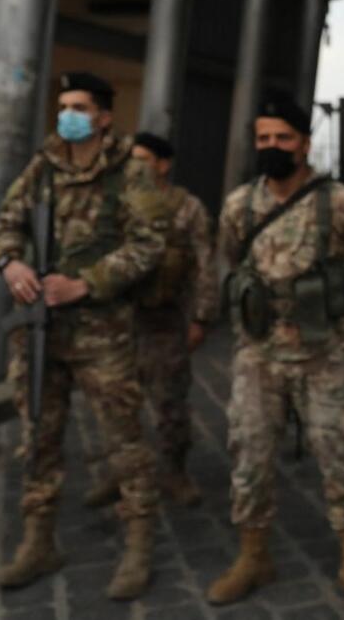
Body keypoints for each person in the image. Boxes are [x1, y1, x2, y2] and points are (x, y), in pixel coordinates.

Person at [206, 94, 344, 611]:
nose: (272, 147)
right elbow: (229, 257)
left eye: (282, 139)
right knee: (249, 453)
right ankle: (253, 554)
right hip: (258, 354)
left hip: (325, 354)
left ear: (304, 144)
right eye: (263, 139)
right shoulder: (240, 205)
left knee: (339, 458)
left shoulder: (341, 203)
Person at [0, 72, 165, 599]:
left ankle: (138, 545)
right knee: (38, 436)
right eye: (62, 104)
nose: (67, 114)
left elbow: (149, 243)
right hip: (40, 331)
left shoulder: (131, 173)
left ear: (104, 117)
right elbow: (6, 223)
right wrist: (10, 262)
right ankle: (38, 540)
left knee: (124, 441)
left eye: (79, 106)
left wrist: (87, 283)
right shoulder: (41, 169)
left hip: (102, 333)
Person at [82, 131, 219, 509]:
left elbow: (205, 264)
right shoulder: (115, 204)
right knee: (114, 400)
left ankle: (174, 470)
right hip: (118, 321)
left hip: (164, 321)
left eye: (142, 160)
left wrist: (202, 318)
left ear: (162, 164)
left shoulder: (185, 207)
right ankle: (120, 470)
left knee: (169, 401)